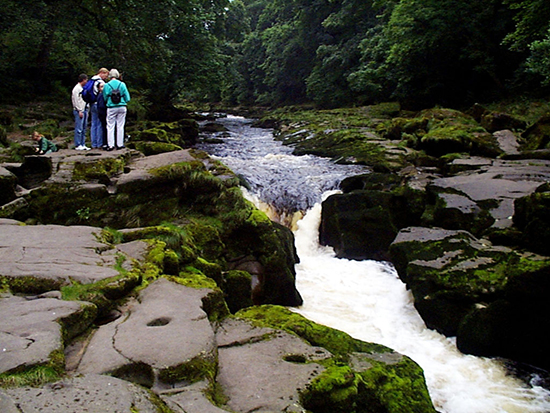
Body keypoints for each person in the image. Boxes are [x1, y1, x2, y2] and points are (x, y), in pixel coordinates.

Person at [103, 68, 130, 151]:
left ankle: (110, 145)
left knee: (110, 126)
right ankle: (120, 144)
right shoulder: (122, 84)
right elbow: (127, 98)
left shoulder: (107, 85)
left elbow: (104, 97)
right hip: (122, 106)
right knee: (120, 125)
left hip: (111, 107)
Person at [89, 68, 109, 149]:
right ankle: (99, 143)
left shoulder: (91, 80)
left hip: (92, 103)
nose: (106, 77)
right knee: (100, 124)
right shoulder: (100, 82)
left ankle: (93, 144)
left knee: (93, 124)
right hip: (99, 104)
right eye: (106, 75)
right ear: (101, 73)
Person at [71, 73, 90, 150]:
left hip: (85, 108)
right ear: (83, 80)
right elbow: (75, 100)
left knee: (84, 127)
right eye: (86, 80)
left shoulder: (83, 88)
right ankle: (78, 144)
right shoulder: (76, 89)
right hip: (79, 110)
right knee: (79, 128)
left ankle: (83, 143)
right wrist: (79, 110)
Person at [96, 83, 108, 149]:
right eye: (101, 86)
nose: (103, 88)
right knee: (104, 128)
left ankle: (105, 143)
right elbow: (101, 106)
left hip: (102, 113)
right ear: (98, 88)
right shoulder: (101, 95)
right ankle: (104, 143)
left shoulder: (102, 95)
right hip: (103, 114)